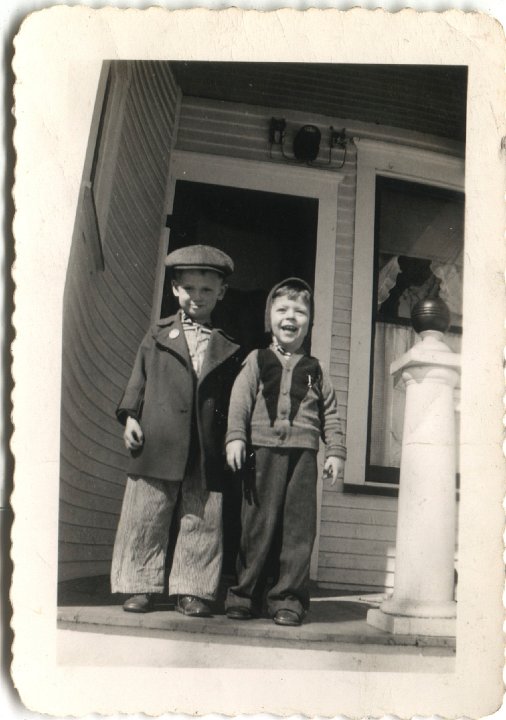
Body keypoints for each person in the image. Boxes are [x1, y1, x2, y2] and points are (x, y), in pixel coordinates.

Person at [110, 244, 243, 616]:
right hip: (157, 439)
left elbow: (235, 397)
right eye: (189, 288)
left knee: (202, 517)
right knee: (146, 514)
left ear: (221, 292)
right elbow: (138, 381)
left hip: (206, 444)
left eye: (206, 290)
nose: (197, 297)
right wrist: (131, 417)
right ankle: (138, 585)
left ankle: (193, 589)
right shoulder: (157, 335)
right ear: (175, 290)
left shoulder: (229, 344)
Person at [224, 277, 347, 626]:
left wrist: (335, 451)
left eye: (300, 310)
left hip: (303, 458)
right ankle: (244, 595)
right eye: (282, 309)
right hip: (262, 453)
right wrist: (236, 437)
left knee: (298, 530)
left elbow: (332, 414)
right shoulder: (256, 359)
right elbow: (239, 401)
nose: (290, 316)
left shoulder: (316, 370)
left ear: (309, 321)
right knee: (256, 525)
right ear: (269, 319)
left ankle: (287, 600)